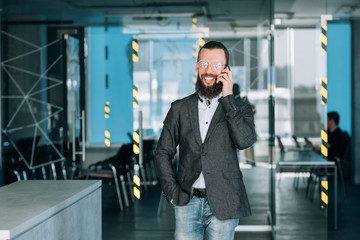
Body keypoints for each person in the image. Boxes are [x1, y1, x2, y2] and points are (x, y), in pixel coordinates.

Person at [155, 41, 256, 240]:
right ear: (197, 66)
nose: (208, 70)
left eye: (216, 65)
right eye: (203, 64)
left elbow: (245, 141)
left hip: (225, 201)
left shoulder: (240, 108)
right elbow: (162, 152)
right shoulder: (179, 108)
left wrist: (228, 99)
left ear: (226, 70)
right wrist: (172, 192)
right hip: (187, 201)